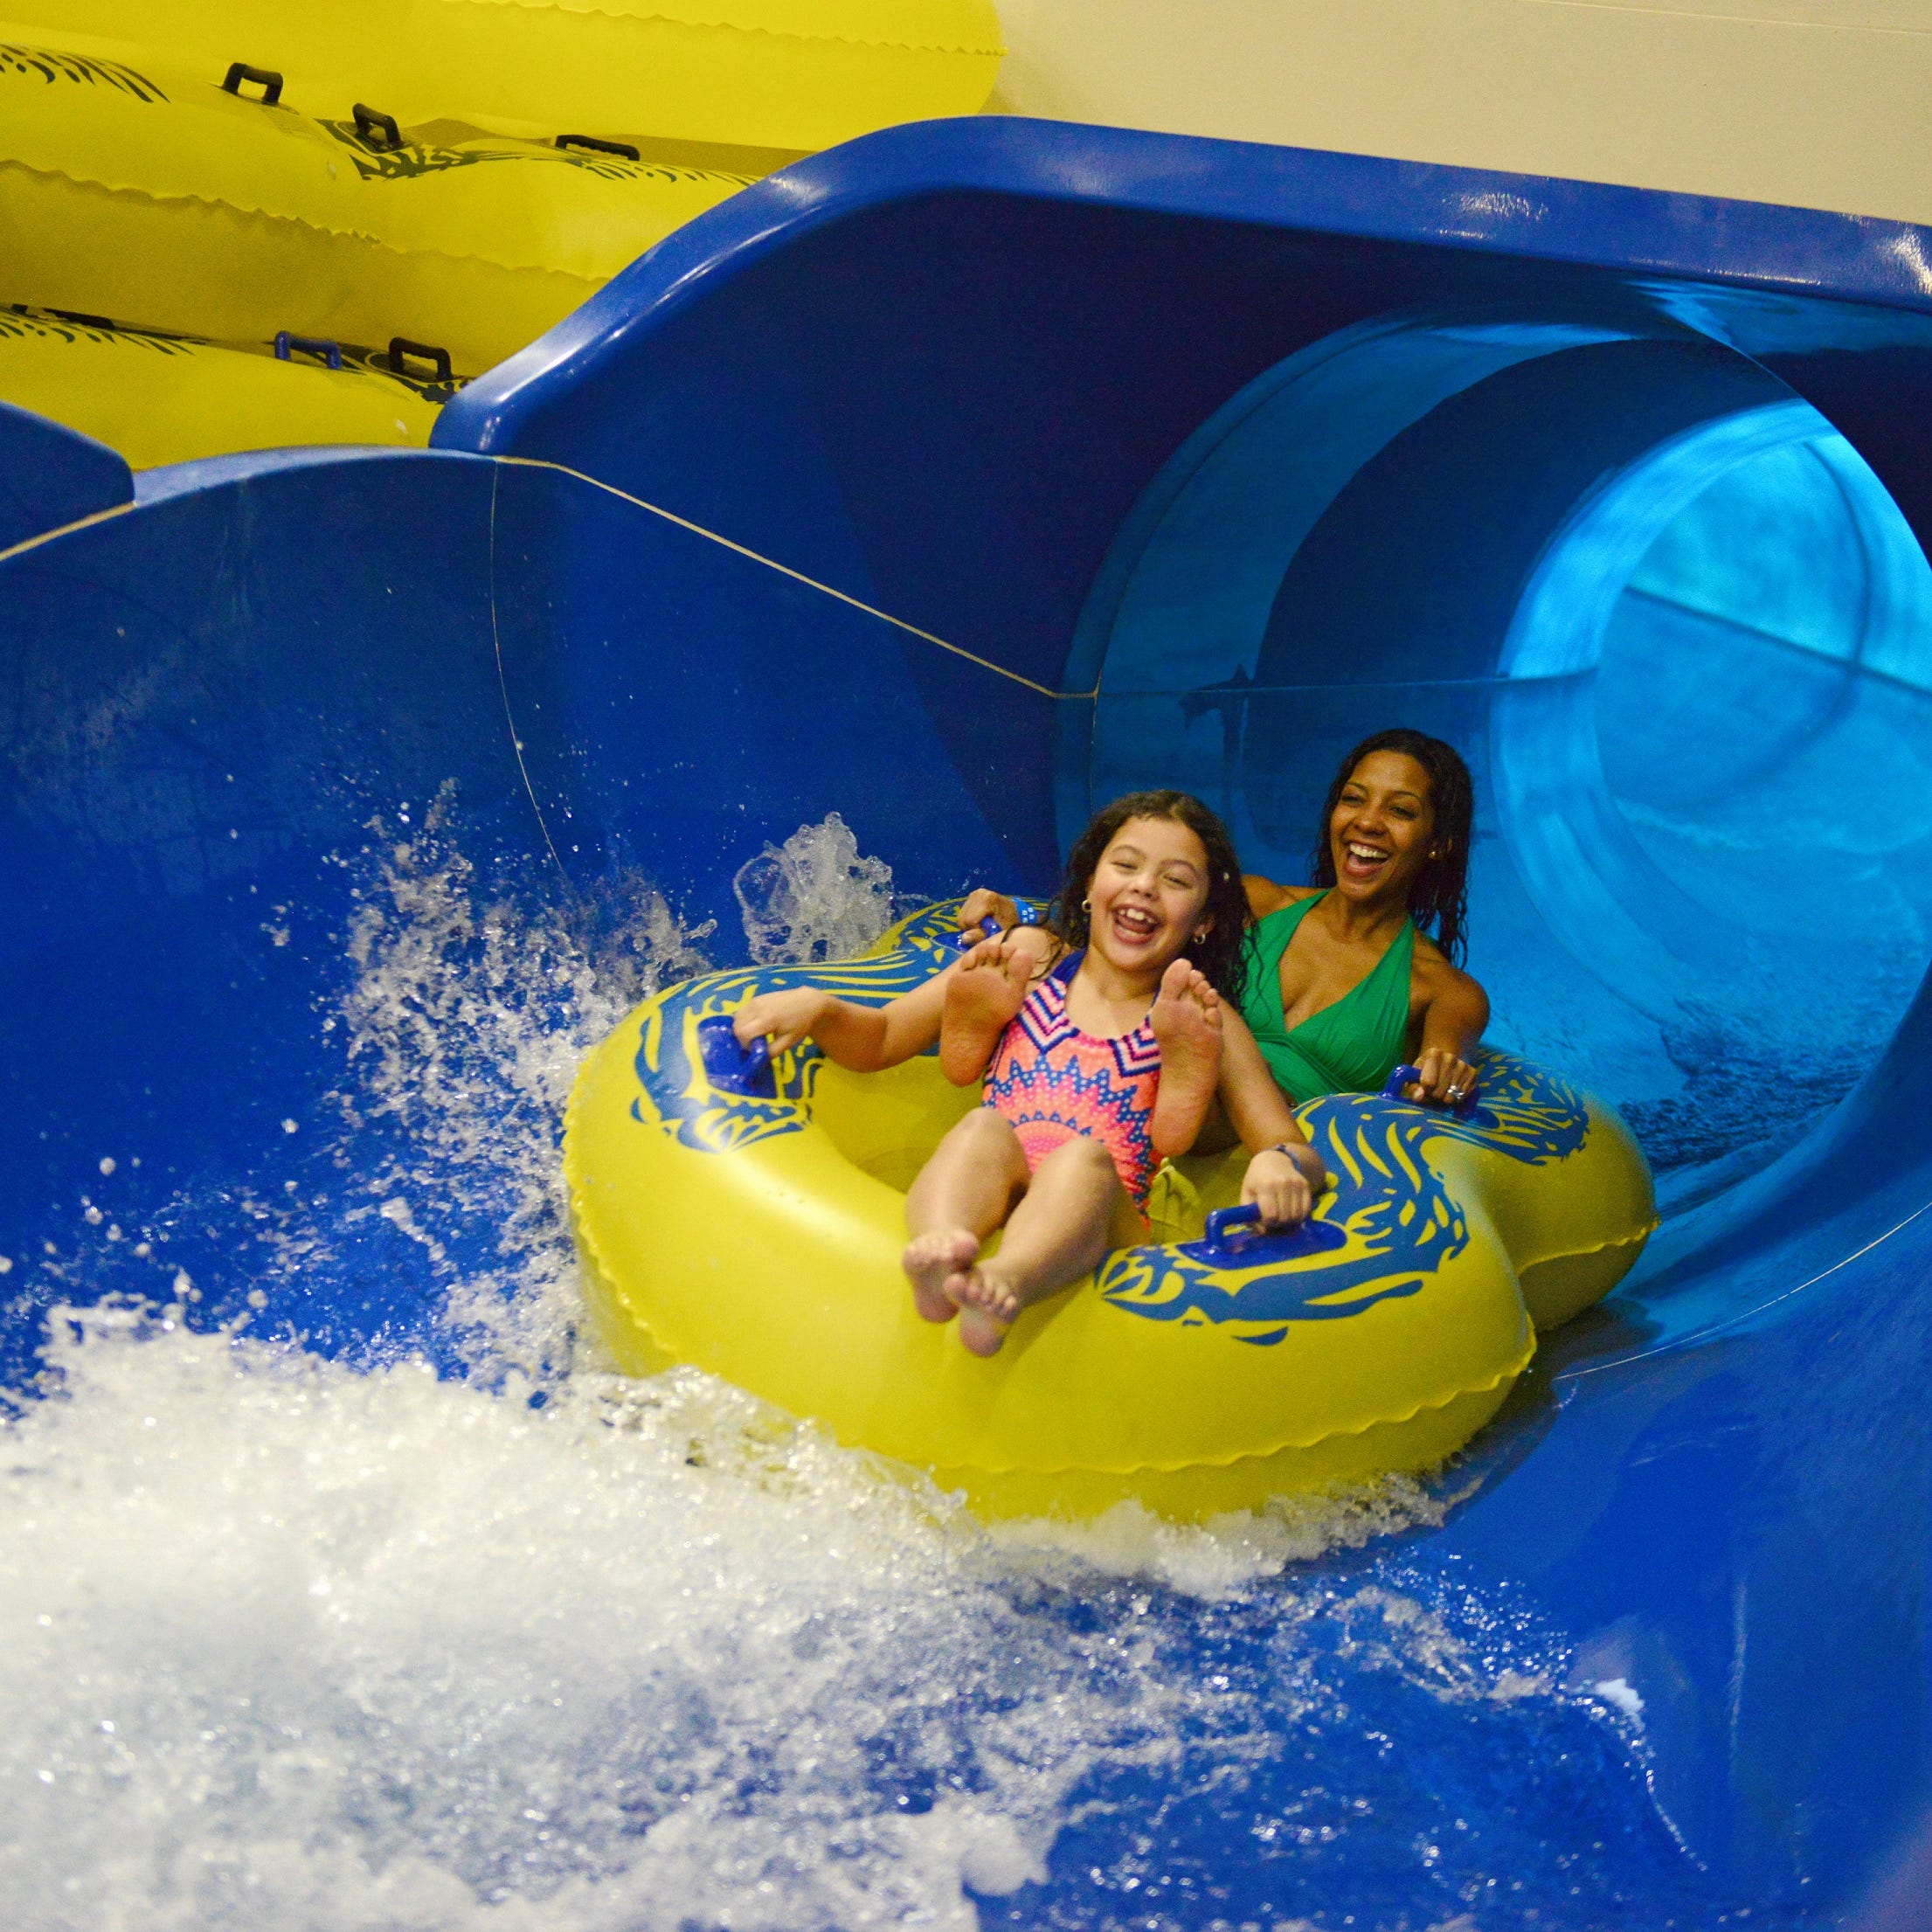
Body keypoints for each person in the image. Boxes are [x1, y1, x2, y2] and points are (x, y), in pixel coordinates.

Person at [732, 791, 1327, 1356]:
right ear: (1091, 885)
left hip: (1108, 1223)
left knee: (1082, 1159)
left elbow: (1286, 1140)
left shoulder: (1199, 1015)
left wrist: (1278, 1161)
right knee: (981, 1128)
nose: (1145, 886)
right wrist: (820, 1009)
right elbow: (885, 1035)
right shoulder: (1025, 962)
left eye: (1175, 881)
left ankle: (1005, 1282)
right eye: (1126, 865)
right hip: (1001, 1177)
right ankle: (941, 1247)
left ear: (1202, 921)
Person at [959, 729, 1489, 1111]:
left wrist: (1445, 1075)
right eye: (1353, 800)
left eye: (1400, 811)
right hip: (1157, 1090)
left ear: (1438, 843)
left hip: (1265, 1139)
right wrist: (1024, 916)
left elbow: (1445, 1067)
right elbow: (1126, 924)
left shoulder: (1443, 988)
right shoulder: (1261, 902)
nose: (1367, 822)